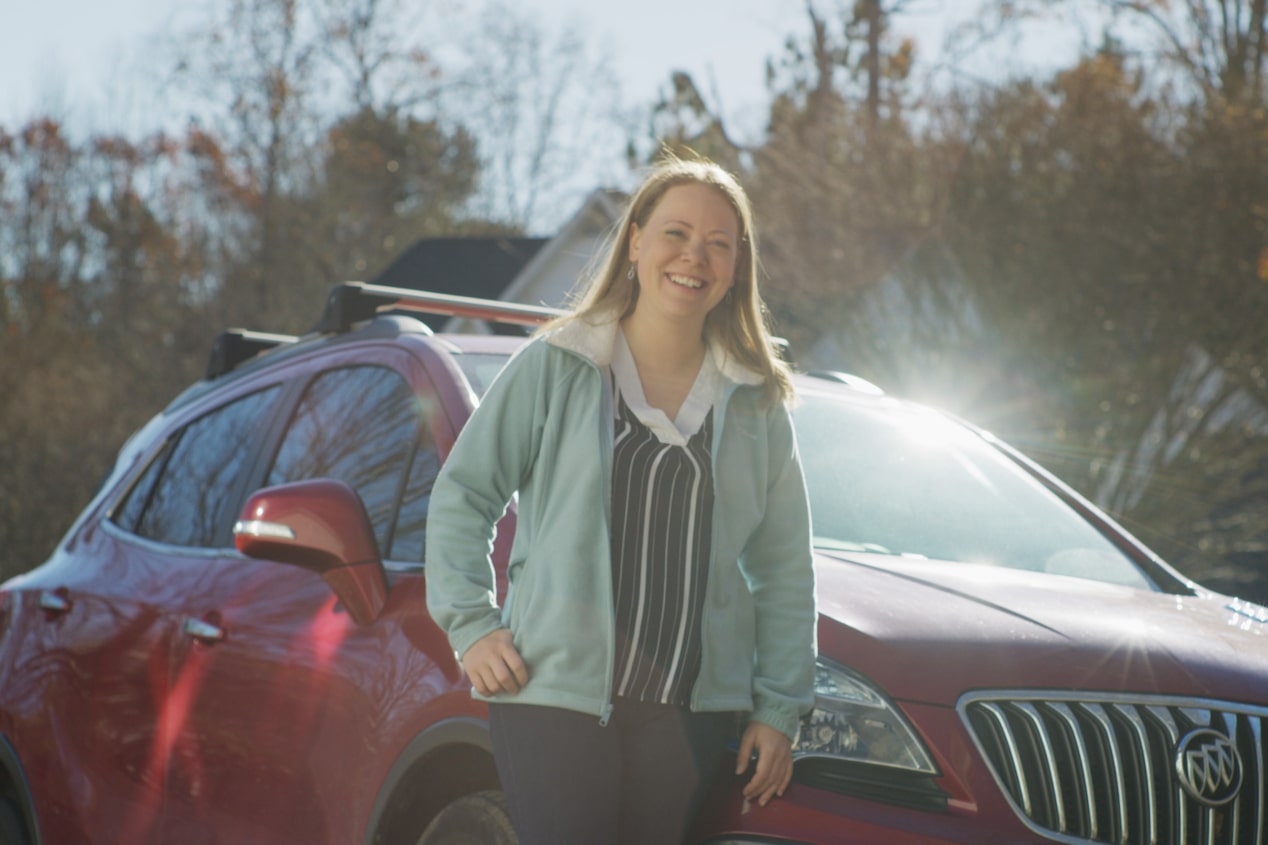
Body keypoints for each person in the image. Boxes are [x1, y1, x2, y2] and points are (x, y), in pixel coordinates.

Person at [425, 154, 817, 845]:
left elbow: (783, 568)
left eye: (718, 243)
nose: (694, 255)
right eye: (676, 232)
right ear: (635, 241)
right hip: (554, 700)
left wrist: (779, 707)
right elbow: (464, 493)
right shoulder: (557, 366)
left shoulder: (756, 404)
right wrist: (471, 623)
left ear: (735, 268)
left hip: (690, 717)